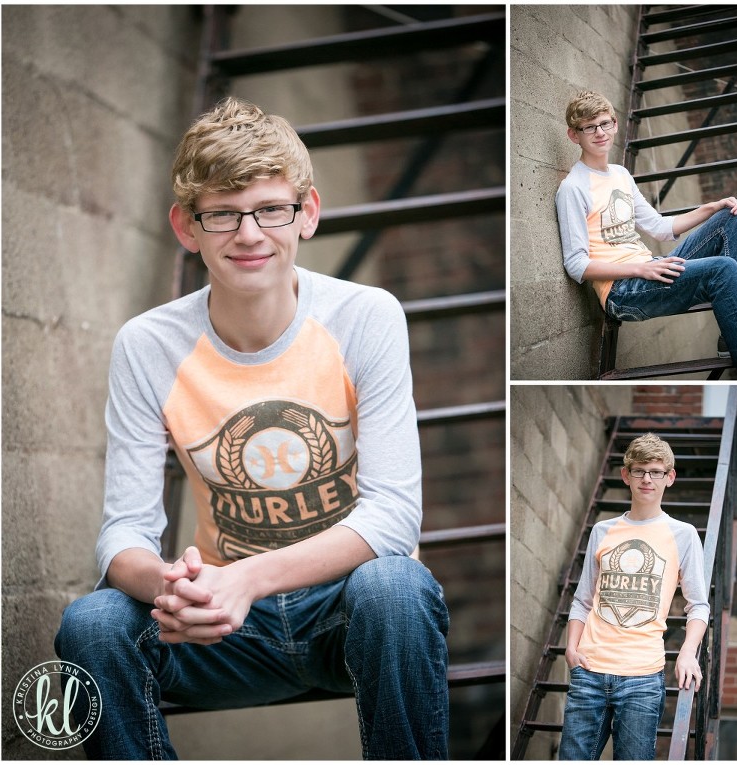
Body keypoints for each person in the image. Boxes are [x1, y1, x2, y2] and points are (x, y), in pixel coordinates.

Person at [54, 97, 450, 760]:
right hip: (221, 627)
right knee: (90, 623)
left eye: (271, 209)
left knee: (396, 583)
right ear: (188, 226)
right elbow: (123, 530)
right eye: (223, 214)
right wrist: (175, 588)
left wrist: (249, 578)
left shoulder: (365, 316)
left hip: (345, 614)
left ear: (308, 212)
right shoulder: (147, 344)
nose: (249, 233)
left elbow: (393, 518)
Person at [556, 90, 737, 380]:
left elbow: (660, 227)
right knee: (723, 269)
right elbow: (576, 264)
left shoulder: (620, 175)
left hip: (652, 267)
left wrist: (711, 207)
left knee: (732, 218)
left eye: (605, 123)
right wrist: (640, 268)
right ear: (574, 135)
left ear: (614, 124)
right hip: (623, 291)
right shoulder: (573, 188)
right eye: (589, 127)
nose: (599, 132)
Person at [558, 432, 710, 760]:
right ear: (626, 475)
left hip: (642, 677)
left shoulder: (682, 535)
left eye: (656, 472)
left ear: (669, 478)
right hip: (589, 672)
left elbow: (698, 605)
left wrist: (687, 653)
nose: (647, 479)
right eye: (639, 471)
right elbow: (583, 600)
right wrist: (571, 649)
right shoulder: (603, 530)